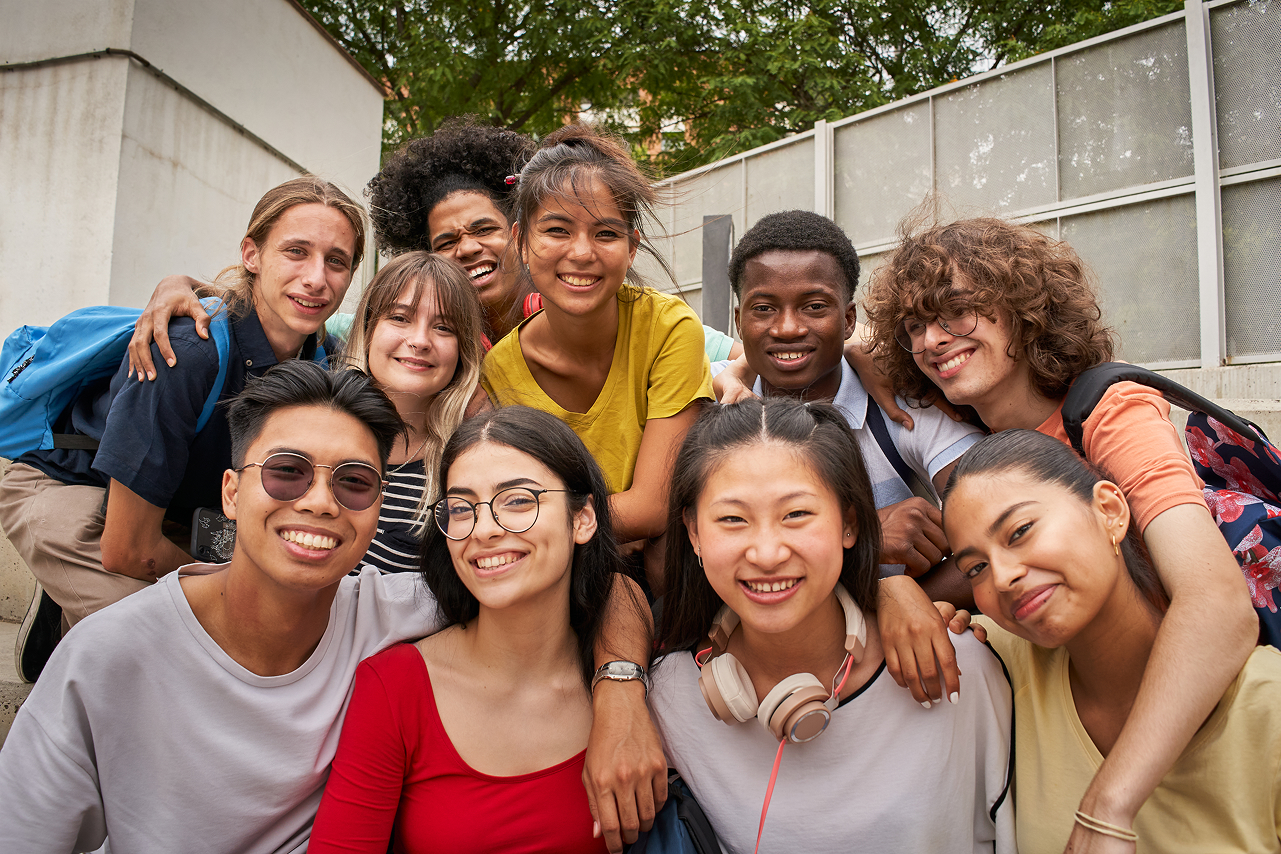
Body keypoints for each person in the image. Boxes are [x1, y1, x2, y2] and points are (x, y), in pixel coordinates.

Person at [860, 214, 1257, 848]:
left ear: (1024, 308)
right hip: (1071, 725)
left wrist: (1107, 805)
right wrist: (894, 591)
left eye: (957, 311)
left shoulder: (1110, 414)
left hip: (1201, 725)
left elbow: (1216, 604)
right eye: (913, 328)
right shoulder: (974, 448)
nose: (933, 339)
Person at [1, 176, 365, 679]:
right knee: (162, 653)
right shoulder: (185, 351)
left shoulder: (320, 360)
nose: (316, 278)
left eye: (336, 261)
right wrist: (233, 595)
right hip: (71, 484)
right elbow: (126, 547)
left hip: (169, 498)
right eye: (296, 252)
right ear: (252, 254)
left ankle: (66, 619)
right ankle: (70, 620)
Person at [649, 397, 1013, 854]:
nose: (767, 554)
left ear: (849, 523)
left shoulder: (956, 667)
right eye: (732, 520)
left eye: (796, 514)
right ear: (694, 534)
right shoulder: (668, 699)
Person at [127, 117, 739, 373]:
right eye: (446, 242)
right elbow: (302, 311)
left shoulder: (608, 308)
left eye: (483, 229)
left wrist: (838, 343)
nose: (468, 249)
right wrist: (183, 287)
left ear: (521, 235)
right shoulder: (416, 333)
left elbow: (727, 355)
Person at [309, 406, 646, 852]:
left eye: (519, 500)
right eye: (461, 508)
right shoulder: (395, 686)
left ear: (581, 519)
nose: (484, 529)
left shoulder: (634, 676)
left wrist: (623, 693)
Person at [944, 428, 1281, 853]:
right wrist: (897, 597)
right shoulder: (997, 668)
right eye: (975, 569)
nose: (1003, 576)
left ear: (1109, 510)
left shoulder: (1269, 705)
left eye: (1020, 531)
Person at [711, 209, 984, 704]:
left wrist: (913, 599)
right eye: (764, 308)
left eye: (815, 307)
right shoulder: (706, 405)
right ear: (738, 321)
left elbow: (993, 539)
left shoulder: (905, 407)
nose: (788, 328)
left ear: (850, 318)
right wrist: (868, 552)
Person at [481, 124, 714, 560]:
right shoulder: (499, 372)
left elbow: (653, 507)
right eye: (557, 230)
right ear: (521, 243)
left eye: (606, 233)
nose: (583, 252)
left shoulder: (668, 329)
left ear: (631, 248)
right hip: (560, 573)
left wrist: (547, 522)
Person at [338, 251, 486, 572]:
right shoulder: (311, 425)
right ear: (368, 329)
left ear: (463, 351)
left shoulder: (469, 465)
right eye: (400, 318)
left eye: (444, 327)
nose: (419, 341)